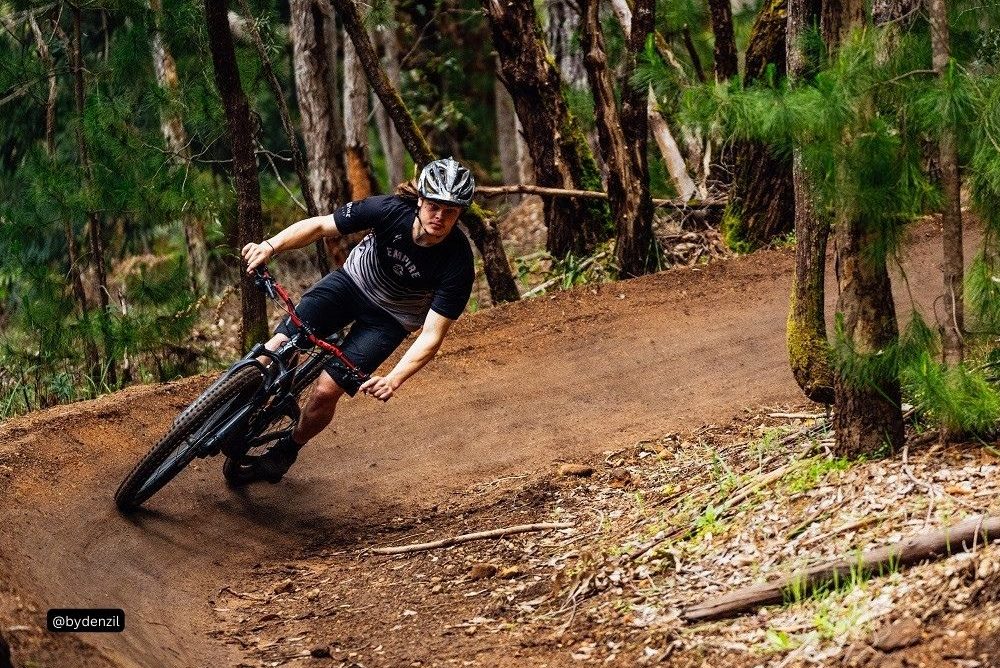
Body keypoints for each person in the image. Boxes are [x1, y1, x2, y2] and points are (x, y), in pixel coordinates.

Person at [240, 157, 476, 482]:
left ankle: (287, 449)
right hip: (352, 283)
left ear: (460, 212)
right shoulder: (389, 210)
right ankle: (249, 401)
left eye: (450, 211)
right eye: (434, 206)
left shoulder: (458, 262)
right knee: (279, 346)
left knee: (325, 391)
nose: (440, 216)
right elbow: (321, 225)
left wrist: (393, 378)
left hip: (391, 319)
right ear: (420, 200)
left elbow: (432, 335)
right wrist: (271, 245)